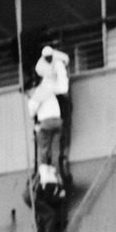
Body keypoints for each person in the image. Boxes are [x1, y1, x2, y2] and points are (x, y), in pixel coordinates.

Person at [35, 45, 71, 174]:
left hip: (58, 92)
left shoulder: (59, 61)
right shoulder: (41, 66)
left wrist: (55, 88)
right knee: (51, 145)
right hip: (52, 92)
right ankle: (50, 169)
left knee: (49, 145)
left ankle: (51, 169)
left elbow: (63, 86)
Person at [27, 76, 63, 170]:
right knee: (55, 149)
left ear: (30, 89)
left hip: (46, 123)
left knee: (43, 149)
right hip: (58, 121)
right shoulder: (48, 90)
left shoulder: (35, 95)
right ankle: (56, 172)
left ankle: (43, 174)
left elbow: (32, 114)